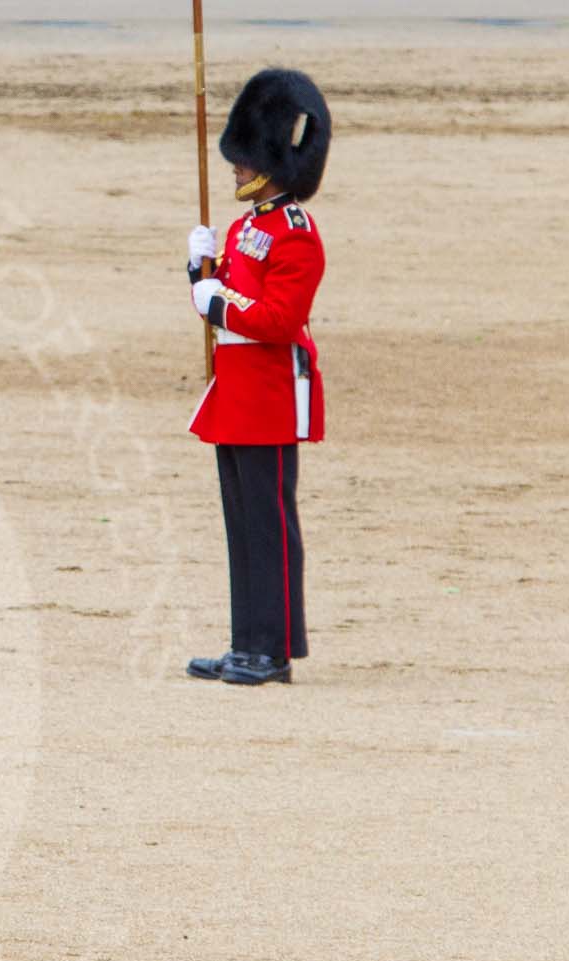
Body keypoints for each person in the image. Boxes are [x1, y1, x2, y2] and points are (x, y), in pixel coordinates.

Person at [184, 68, 332, 686]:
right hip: (238, 391)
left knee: (269, 525)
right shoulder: (247, 228)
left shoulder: (296, 235)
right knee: (242, 524)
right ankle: (246, 640)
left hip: (270, 393)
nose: (237, 171)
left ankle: (272, 650)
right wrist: (199, 270)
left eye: (246, 161)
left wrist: (213, 300)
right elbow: (228, 297)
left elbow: (276, 320)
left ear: (275, 164)